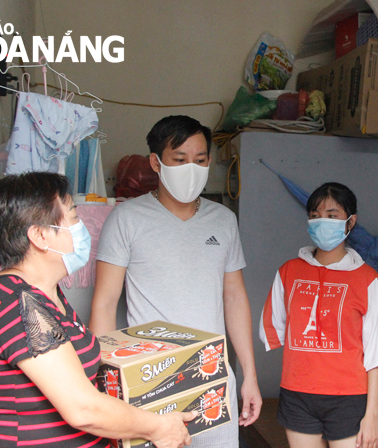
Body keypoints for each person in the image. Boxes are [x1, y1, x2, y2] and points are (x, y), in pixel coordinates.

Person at [0, 172, 195, 448]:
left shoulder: (44, 294)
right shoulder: (19, 305)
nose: (82, 226)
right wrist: (159, 427)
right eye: (73, 217)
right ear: (40, 235)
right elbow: (83, 409)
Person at [89, 115, 261, 448]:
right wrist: (105, 385)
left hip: (212, 377)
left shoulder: (224, 221)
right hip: (150, 379)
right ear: (156, 162)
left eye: (199, 161)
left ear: (210, 161)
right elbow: (105, 302)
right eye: (180, 160)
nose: (191, 169)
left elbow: (235, 298)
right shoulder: (126, 219)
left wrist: (249, 377)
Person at [260, 182, 378, 448]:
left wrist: (372, 416)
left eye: (332, 215)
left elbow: (376, 352)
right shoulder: (288, 272)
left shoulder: (367, 279)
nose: (322, 222)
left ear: (350, 222)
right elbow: (275, 328)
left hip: (349, 397)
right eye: (316, 215)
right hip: (297, 395)